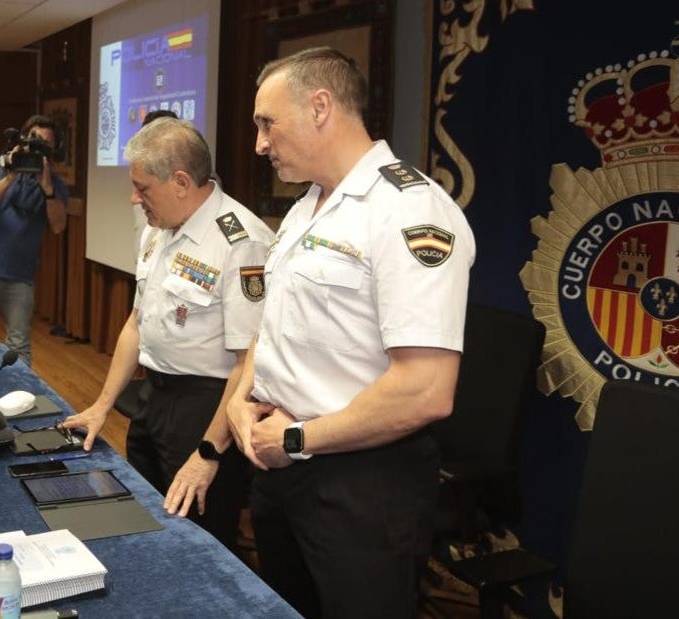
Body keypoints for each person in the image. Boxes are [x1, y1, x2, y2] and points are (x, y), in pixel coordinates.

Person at [227, 47, 475, 619]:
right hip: (280, 465)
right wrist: (240, 402)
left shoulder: (410, 211)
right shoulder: (306, 208)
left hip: (360, 483)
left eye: (268, 123)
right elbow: (274, 326)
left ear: (320, 107)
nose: (260, 144)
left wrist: (297, 440)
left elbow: (426, 389)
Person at [61, 118, 270, 552]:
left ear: (180, 182)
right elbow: (135, 324)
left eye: (142, 188)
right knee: (143, 525)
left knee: (201, 544)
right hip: (152, 398)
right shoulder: (156, 232)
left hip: (207, 409)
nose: (133, 199)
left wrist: (209, 453)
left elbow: (247, 364)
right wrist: (102, 406)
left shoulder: (241, 241)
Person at [0, 115, 69, 364]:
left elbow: (59, 226)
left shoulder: (55, 184)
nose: (37, 149)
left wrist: (47, 189)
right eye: (34, 141)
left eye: (45, 145)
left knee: (19, 346)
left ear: (53, 150)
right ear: (23, 141)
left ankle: (19, 389)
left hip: (19, 277)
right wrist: (10, 175)